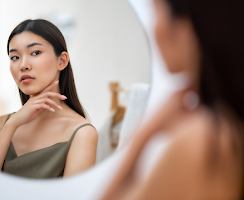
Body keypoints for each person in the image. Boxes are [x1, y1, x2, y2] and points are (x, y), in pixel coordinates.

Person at [101, 0, 244, 199]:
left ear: (188, 29)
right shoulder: (227, 130)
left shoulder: (204, 143)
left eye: (157, 12)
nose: (154, 30)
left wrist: (143, 138)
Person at [0, 19, 98, 179]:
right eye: (14, 57)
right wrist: (12, 124)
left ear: (62, 61)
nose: (23, 65)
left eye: (35, 53)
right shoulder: (2, 124)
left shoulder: (82, 133)